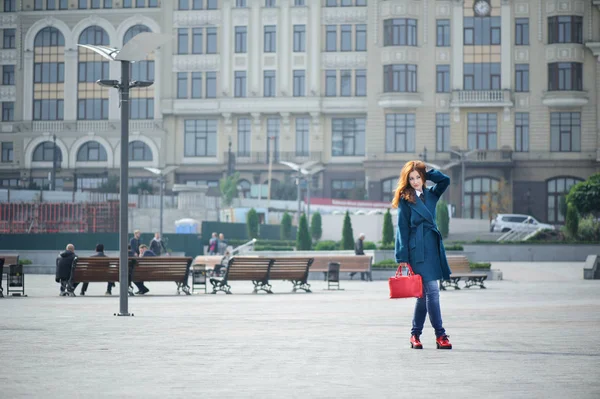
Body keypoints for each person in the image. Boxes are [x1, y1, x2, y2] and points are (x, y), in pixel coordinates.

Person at [392, 161, 453, 350]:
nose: (416, 181)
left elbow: (445, 180)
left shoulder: (432, 194)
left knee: (422, 296)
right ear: (407, 181)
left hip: (432, 248)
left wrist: (427, 170)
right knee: (432, 292)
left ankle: (414, 335)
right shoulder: (405, 199)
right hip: (416, 250)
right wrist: (402, 257)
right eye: (412, 178)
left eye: (418, 177)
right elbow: (402, 228)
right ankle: (440, 335)